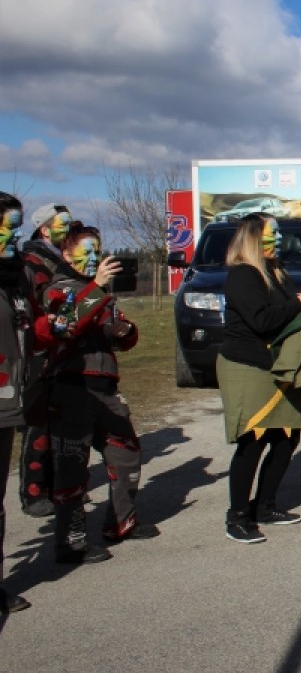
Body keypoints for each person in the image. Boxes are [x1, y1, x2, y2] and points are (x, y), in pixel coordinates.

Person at [42, 223, 157, 563]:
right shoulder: (57, 290)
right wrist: (96, 288)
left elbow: (119, 334)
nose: (95, 258)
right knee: (72, 467)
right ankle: (70, 543)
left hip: (106, 387)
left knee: (126, 453)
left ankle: (122, 522)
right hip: (71, 387)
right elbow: (66, 326)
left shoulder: (101, 292)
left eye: (98, 251)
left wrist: (125, 331)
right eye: (87, 252)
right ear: (67, 255)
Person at [217, 213, 301, 543]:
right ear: (252, 239)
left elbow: (288, 318)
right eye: (270, 234)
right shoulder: (242, 275)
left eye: (277, 235)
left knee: (287, 435)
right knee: (254, 439)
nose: (277, 240)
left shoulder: (275, 272)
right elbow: (262, 321)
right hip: (247, 365)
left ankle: (264, 506)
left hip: (277, 366)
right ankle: (237, 516)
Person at [18, 202, 74, 518]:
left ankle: (55, 487)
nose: (68, 229)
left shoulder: (60, 260)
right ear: (45, 229)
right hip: (40, 350)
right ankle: (33, 490)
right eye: (62, 224)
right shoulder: (32, 264)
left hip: (62, 348)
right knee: (38, 422)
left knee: (59, 421)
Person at [0, 193, 35, 611]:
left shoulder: (16, 278)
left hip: (8, 401)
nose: (15, 235)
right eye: (8, 227)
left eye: (17, 226)